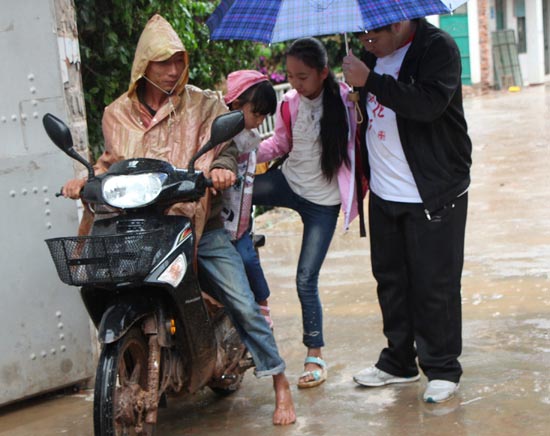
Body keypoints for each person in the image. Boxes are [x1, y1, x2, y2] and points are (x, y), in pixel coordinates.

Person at [62, 14, 295, 425]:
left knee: (243, 301)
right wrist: (86, 180)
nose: (173, 70)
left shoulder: (204, 105)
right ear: (144, 65)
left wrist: (221, 168)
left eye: (178, 61)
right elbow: (111, 162)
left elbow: (225, 148)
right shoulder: (116, 113)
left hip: (197, 223)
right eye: (163, 62)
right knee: (102, 282)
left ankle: (279, 380)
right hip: (138, 226)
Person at [342, 18, 472, 403]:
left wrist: (370, 82)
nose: (367, 42)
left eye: (373, 36)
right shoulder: (370, 56)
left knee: (434, 284)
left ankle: (442, 367)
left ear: (398, 23)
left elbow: (428, 104)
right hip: (385, 192)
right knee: (391, 281)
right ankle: (399, 361)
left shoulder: (437, 48)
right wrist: (357, 94)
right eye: (362, 35)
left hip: (432, 190)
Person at [253, 37, 364, 389]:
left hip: (323, 202)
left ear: (323, 73)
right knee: (234, 193)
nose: (295, 83)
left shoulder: (347, 100)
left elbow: (364, 143)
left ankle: (314, 354)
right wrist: (243, 151)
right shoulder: (289, 103)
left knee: (305, 278)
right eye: (290, 76)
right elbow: (280, 144)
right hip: (288, 182)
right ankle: (250, 287)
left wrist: (360, 103)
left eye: (302, 77)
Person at [221, 70, 277, 328]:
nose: (260, 121)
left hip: (241, 223)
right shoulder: (219, 135)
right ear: (235, 105)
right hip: (217, 221)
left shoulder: (251, 139)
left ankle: (262, 305)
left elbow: (261, 156)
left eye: (264, 116)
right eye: (256, 114)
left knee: (247, 259)